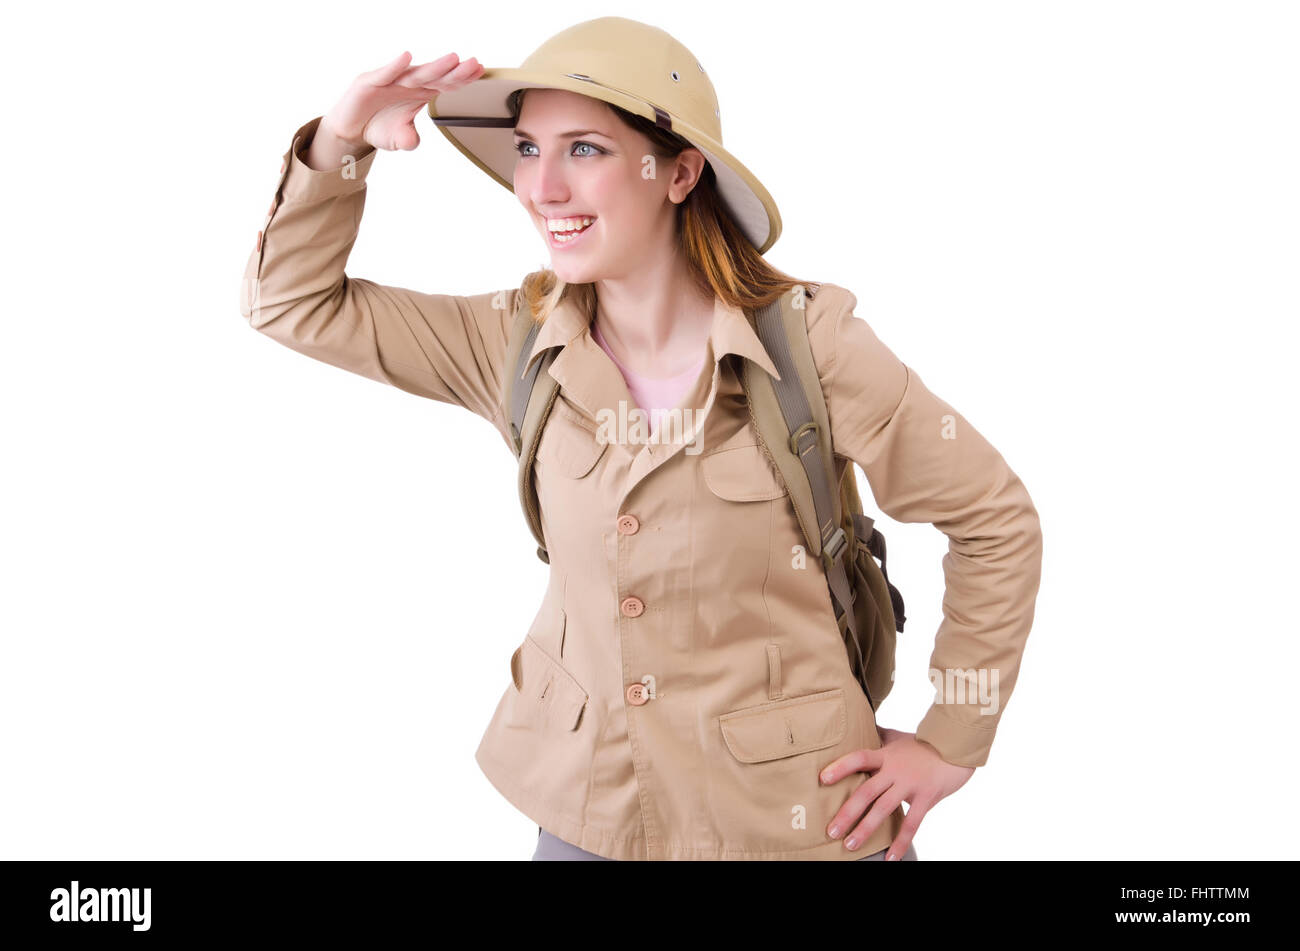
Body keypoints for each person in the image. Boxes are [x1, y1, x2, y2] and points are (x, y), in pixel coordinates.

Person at [239, 17, 1043, 862]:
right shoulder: (513, 340)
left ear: (678, 173)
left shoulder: (811, 348)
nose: (541, 187)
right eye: (527, 149)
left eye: (584, 150)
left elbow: (995, 520)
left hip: (799, 821)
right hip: (593, 814)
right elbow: (291, 303)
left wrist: (953, 736)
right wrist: (337, 146)